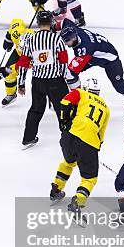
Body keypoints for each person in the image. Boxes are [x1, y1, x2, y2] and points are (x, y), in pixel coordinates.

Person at [50, 77, 110, 214]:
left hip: (69, 136)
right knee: (90, 178)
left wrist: (64, 121)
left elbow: (65, 102)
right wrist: (94, 149)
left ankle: (56, 189)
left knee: (68, 162)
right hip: (89, 143)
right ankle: (78, 201)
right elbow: (101, 134)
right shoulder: (106, 108)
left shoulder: (81, 93)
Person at [15, 10, 69, 148]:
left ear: (38, 23)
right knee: (62, 109)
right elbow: (63, 60)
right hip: (55, 81)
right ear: (51, 22)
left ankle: (28, 137)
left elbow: (23, 62)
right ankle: (69, 139)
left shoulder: (30, 39)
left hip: (38, 82)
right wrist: (64, 78)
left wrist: (21, 84)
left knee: (36, 109)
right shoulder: (57, 39)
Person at [60, 21, 124, 100]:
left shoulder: (84, 48)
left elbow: (78, 61)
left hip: (110, 60)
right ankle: (77, 97)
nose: (65, 44)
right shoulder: (75, 30)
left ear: (73, 38)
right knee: (71, 73)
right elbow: (64, 22)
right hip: (93, 55)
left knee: (119, 85)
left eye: (67, 41)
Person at [0, 19, 34, 106]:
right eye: (21, 47)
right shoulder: (17, 33)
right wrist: (8, 39)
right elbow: (16, 22)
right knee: (9, 75)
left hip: (29, 60)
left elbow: (19, 67)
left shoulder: (36, 52)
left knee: (9, 72)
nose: (23, 51)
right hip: (17, 53)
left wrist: (3, 73)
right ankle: (11, 95)